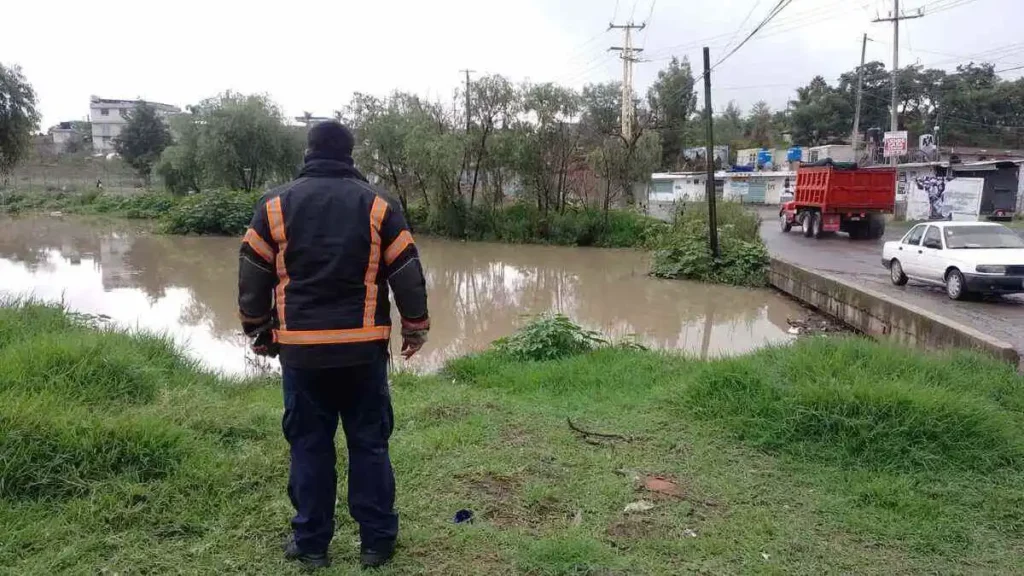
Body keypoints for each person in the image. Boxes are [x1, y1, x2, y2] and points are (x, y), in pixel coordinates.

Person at [237, 121, 429, 569]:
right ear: (350, 155)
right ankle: (377, 543)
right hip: (363, 352)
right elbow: (406, 271)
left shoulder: (275, 205)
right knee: (369, 444)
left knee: (309, 446)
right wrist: (415, 327)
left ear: (308, 152)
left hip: (302, 354)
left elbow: (252, 272)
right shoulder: (379, 205)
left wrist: (257, 328)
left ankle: (311, 545)